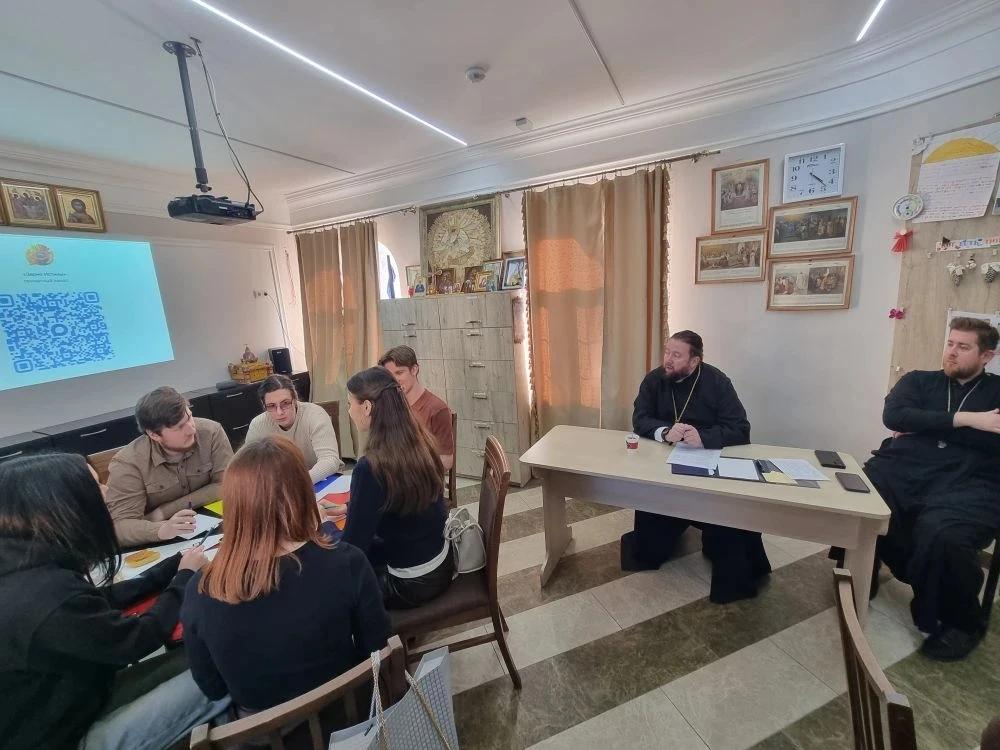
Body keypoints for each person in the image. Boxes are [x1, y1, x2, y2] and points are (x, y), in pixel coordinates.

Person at [0, 452, 225, 750]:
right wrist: (183, 579)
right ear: (58, 506)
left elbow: (93, 602)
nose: (107, 491)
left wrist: (169, 569)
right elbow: (138, 639)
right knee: (226, 662)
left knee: (202, 654)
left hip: (78, 697)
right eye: (95, 485)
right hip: (65, 735)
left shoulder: (22, 566)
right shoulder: (44, 600)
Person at [182, 436, 389, 718]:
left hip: (262, 732)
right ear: (303, 493)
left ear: (233, 506)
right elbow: (376, 647)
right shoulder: (347, 563)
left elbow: (214, 689)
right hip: (351, 717)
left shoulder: (201, 589)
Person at [862, 316, 1000, 660]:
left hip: (973, 479)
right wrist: (971, 421)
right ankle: (862, 568)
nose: (951, 352)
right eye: (950, 343)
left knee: (944, 533)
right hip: (907, 467)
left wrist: (925, 424)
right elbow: (895, 416)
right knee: (864, 495)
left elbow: (992, 443)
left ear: (987, 356)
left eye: (963, 347)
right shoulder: (919, 381)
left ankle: (961, 622)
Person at [622, 330, 771, 603]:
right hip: (664, 468)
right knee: (651, 505)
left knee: (729, 514)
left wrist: (704, 438)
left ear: (694, 361)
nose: (668, 360)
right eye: (667, 352)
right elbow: (640, 419)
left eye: (676, 355)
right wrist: (664, 432)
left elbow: (740, 429)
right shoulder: (654, 380)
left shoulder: (717, 382)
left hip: (710, 470)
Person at [342, 367, 454, 608]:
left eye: (350, 404)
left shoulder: (370, 467)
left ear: (367, 407)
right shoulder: (420, 440)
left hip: (411, 584)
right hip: (443, 563)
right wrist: (354, 508)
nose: (349, 411)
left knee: (331, 577)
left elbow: (353, 546)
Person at [105, 387, 234, 547]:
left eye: (189, 417)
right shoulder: (128, 463)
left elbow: (227, 485)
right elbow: (120, 527)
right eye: (179, 427)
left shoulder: (211, 431)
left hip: (213, 524)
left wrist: (163, 511)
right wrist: (161, 529)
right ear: (154, 434)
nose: (191, 429)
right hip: (161, 538)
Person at [244, 374, 344, 483]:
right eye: (271, 406)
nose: (279, 412)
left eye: (285, 403)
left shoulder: (315, 415)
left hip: (322, 480)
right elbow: (248, 466)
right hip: (280, 484)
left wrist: (297, 483)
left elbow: (330, 460)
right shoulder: (258, 425)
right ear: (264, 406)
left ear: (295, 399)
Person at [379, 345, 455, 471]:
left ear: (414, 370)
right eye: (390, 375)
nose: (394, 380)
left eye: (399, 373)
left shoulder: (437, 409)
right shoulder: (390, 406)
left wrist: (408, 468)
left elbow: (446, 461)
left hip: (421, 478)